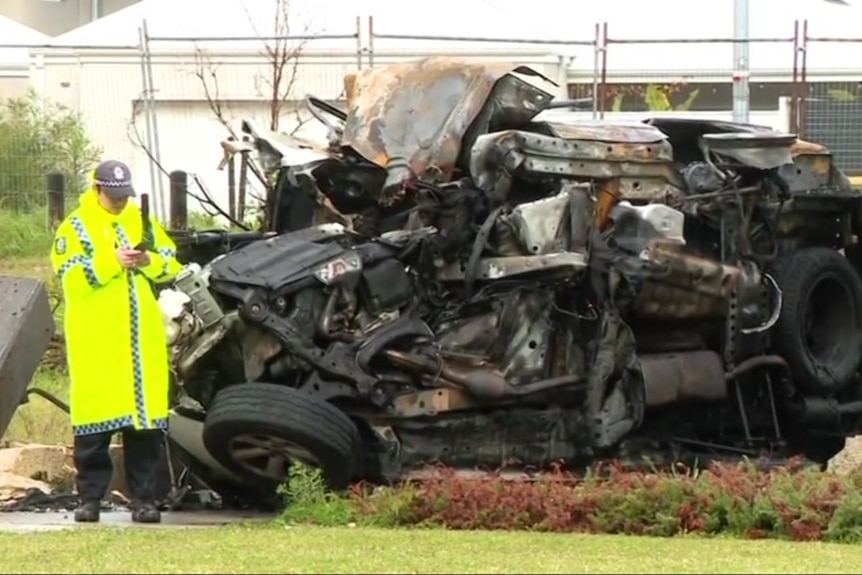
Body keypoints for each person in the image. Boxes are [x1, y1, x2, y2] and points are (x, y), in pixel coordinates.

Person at [50, 160, 183, 523]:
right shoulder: (74, 227)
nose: (121, 202)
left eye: (124, 196)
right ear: (96, 190)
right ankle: (90, 499)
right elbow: (72, 277)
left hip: (143, 342)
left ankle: (145, 500)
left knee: (145, 426)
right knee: (95, 423)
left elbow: (170, 262)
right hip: (98, 340)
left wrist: (146, 260)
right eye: (114, 196)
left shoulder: (140, 218)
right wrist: (113, 261)